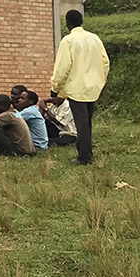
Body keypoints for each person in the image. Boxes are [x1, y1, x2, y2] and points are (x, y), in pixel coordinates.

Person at [50, 9, 110, 165]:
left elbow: (62, 68)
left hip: (77, 89)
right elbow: (105, 62)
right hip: (93, 87)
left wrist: (55, 88)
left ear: (68, 23)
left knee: (81, 124)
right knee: (87, 123)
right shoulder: (95, 38)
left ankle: (84, 157)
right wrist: (101, 80)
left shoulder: (68, 41)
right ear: (81, 21)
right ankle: (87, 152)